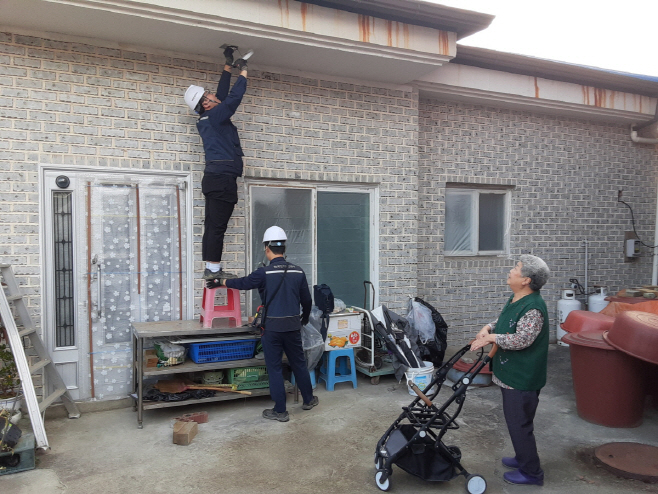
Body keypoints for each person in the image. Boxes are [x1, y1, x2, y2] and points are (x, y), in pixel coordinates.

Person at [206, 226, 318, 422]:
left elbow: (243, 283)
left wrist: (220, 282)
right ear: (284, 248)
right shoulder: (298, 272)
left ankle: (280, 411)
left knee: (274, 368)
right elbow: (307, 301)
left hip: (272, 329)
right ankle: (308, 400)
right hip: (292, 326)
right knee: (299, 363)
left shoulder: (263, 273)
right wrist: (304, 318)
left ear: (267, 248)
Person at [470, 254, 550, 487]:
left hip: (522, 378)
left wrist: (492, 338)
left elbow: (522, 338)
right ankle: (522, 457)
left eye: (516, 267)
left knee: (519, 424)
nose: (511, 270)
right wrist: (488, 328)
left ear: (526, 279)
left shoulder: (534, 307)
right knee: (518, 421)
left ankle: (532, 473)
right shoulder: (517, 298)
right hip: (512, 374)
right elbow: (507, 322)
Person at [184, 46, 249, 280]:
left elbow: (222, 97)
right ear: (206, 103)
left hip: (214, 178)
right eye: (209, 94)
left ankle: (211, 269)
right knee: (217, 226)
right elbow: (232, 100)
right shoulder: (216, 115)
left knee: (212, 225)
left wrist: (227, 67)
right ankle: (213, 270)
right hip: (222, 179)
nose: (213, 94)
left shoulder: (208, 117)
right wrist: (243, 73)